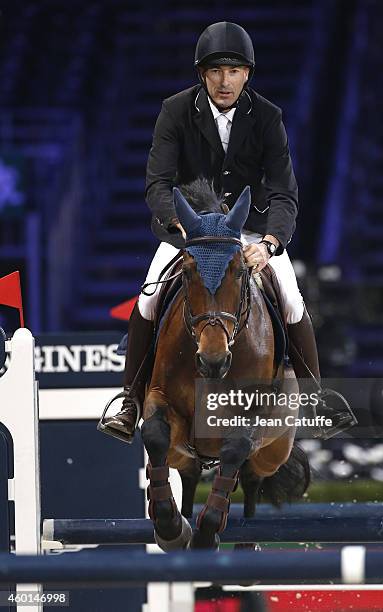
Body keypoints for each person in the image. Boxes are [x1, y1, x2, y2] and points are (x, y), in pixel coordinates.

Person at [103, 21, 323, 437]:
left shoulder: (269, 117)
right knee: (148, 299)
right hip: (190, 231)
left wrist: (272, 244)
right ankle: (129, 403)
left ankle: (318, 400)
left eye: (234, 71)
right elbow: (157, 183)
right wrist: (178, 224)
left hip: (250, 232)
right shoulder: (175, 110)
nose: (225, 81)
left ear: (247, 74)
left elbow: (284, 192)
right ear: (202, 75)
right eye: (216, 72)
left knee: (292, 301)